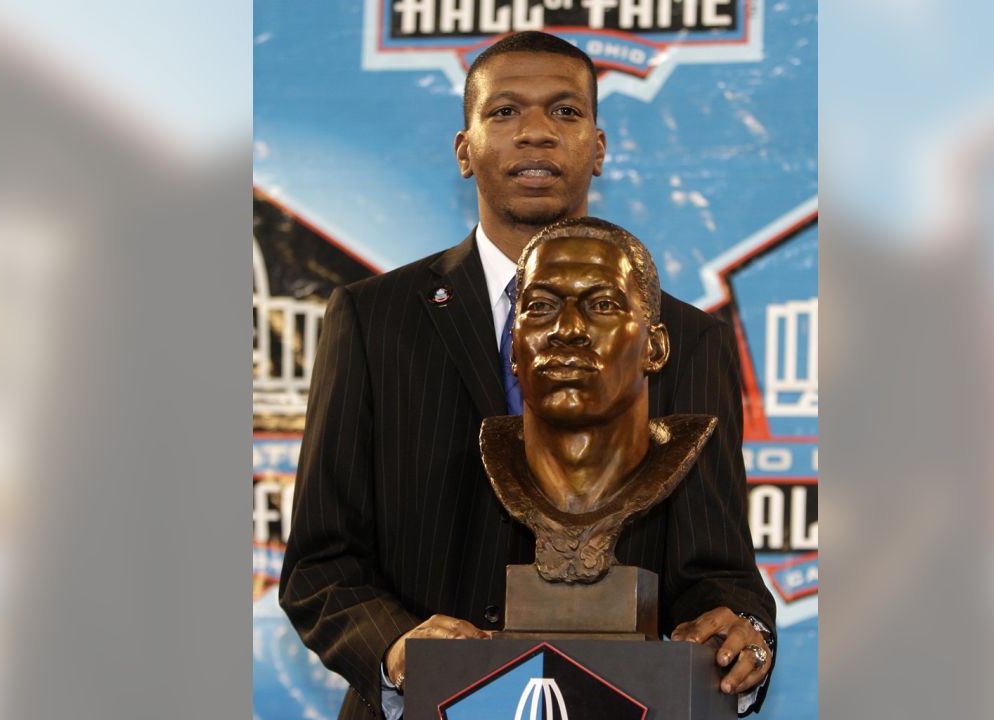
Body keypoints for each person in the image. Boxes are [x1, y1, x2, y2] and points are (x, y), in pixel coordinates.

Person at [279, 31, 776, 720]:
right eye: (505, 112)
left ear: (598, 149)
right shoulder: (372, 319)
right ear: (464, 149)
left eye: (565, 112)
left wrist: (736, 630)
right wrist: (398, 648)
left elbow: (718, 570)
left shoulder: (688, 338)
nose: (536, 133)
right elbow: (319, 562)